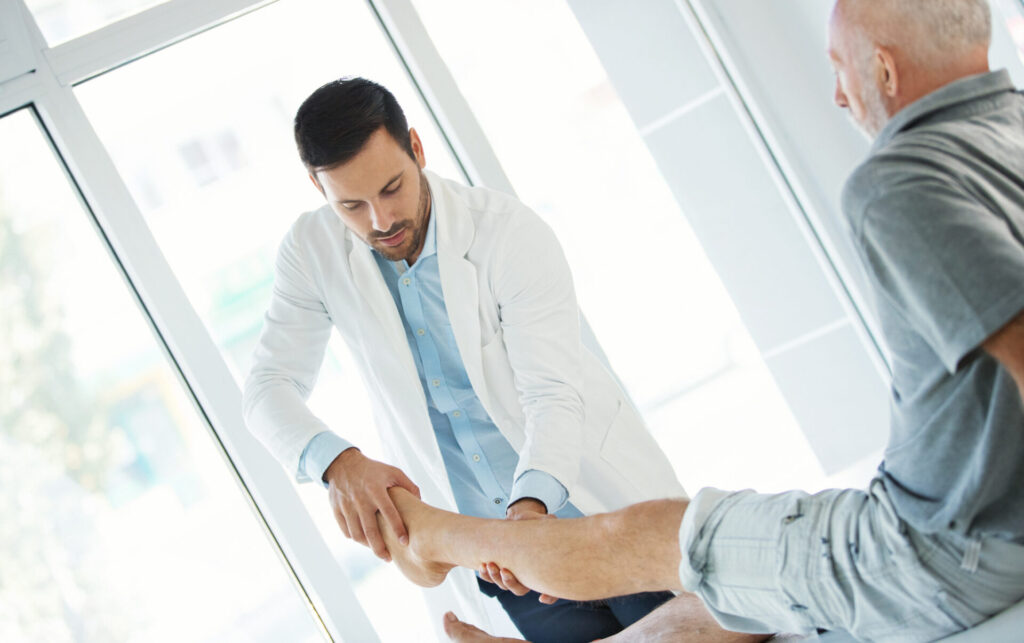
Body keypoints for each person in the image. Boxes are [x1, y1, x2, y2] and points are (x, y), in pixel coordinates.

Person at [374, 0, 1024, 641]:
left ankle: (433, 536)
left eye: (840, 69)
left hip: (935, 552)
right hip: (964, 539)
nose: (837, 95)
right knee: (735, 580)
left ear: (884, 70)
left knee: (669, 533)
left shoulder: (900, 183)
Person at [243, 77, 723, 641]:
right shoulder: (311, 249)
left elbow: (551, 394)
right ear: (317, 187)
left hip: (594, 512)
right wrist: (338, 463)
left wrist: (530, 512)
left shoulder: (507, 233)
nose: (380, 220)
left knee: (697, 631)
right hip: (495, 554)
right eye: (351, 204)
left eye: (393, 187)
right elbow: (267, 387)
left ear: (417, 149)